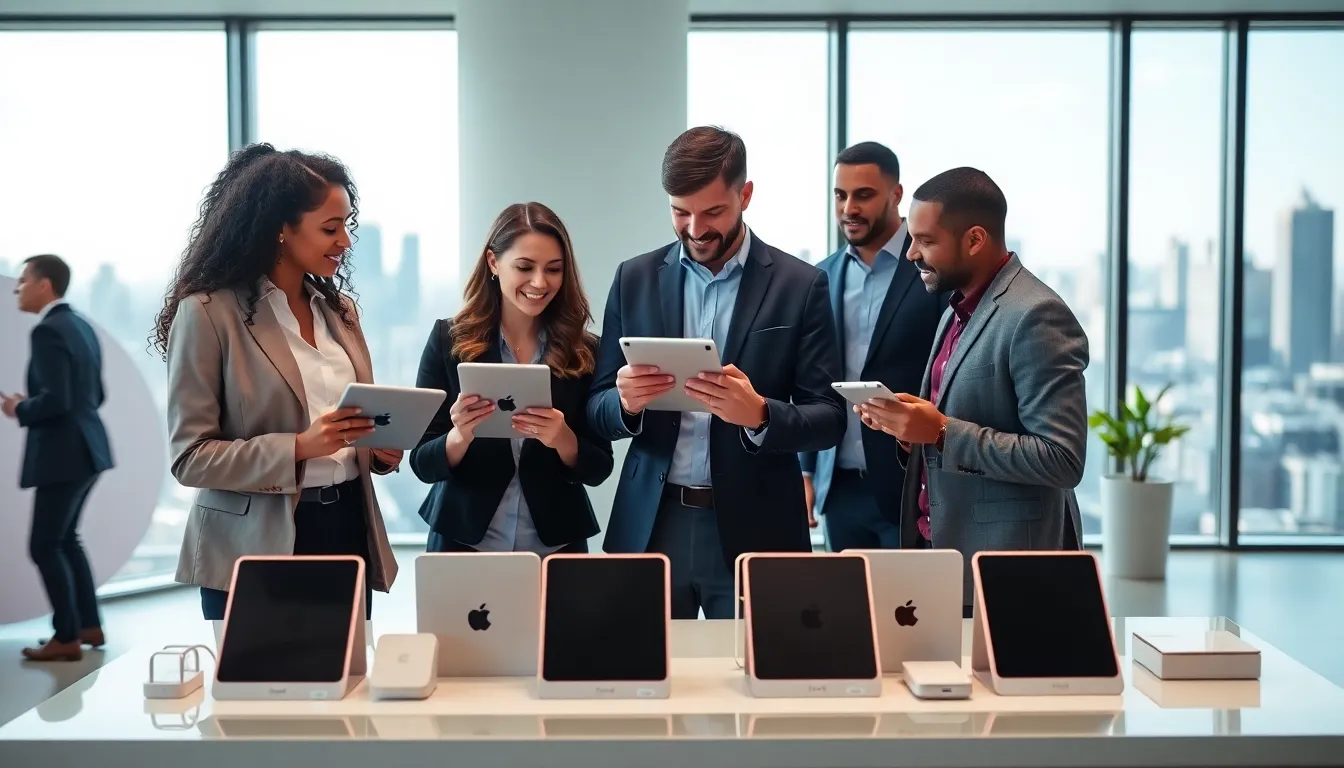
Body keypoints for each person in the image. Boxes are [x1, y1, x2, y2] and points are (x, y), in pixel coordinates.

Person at [587, 126, 846, 620]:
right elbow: (596, 408)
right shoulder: (634, 278)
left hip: (760, 527)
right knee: (645, 685)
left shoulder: (802, 285)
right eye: (679, 212)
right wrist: (623, 403)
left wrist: (760, 415)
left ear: (745, 195)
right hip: (651, 523)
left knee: (762, 681)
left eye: (712, 212)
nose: (695, 228)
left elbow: (830, 418)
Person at [153, 143, 403, 620]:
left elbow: (350, 428)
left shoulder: (339, 312)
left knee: (347, 688)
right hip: (255, 544)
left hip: (347, 525)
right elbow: (190, 458)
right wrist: (298, 447)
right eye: (330, 228)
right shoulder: (208, 314)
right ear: (281, 231)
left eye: (347, 225)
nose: (345, 241)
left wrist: (377, 451)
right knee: (262, 693)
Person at [856, 167, 1087, 614]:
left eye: (925, 241)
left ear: (975, 239)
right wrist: (912, 431)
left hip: (1004, 573)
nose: (909, 254)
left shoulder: (1037, 315)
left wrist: (942, 432)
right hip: (942, 555)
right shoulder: (956, 309)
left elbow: (1063, 459)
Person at [410, 202, 611, 553]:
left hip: (555, 546)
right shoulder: (448, 340)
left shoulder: (585, 351)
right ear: (493, 263)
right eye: (524, 267)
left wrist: (562, 438)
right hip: (464, 541)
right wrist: (460, 436)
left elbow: (599, 468)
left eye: (554, 269)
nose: (539, 282)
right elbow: (422, 463)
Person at [800, 142, 950, 551]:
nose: (849, 207)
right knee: (845, 612)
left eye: (863, 195)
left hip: (913, 483)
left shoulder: (932, 268)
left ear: (896, 195)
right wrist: (808, 472)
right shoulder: (819, 276)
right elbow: (811, 378)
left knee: (913, 611)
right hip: (838, 487)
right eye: (840, 194)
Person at [3, 255, 113, 661]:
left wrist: (21, 409)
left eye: (23, 280)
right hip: (89, 450)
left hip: (63, 455)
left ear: (45, 285)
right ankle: (88, 624)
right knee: (66, 540)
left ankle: (66, 636)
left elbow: (57, 400)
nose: (18, 288)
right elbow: (94, 396)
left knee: (45, 545)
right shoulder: (80, 325)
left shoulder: (47, 331)